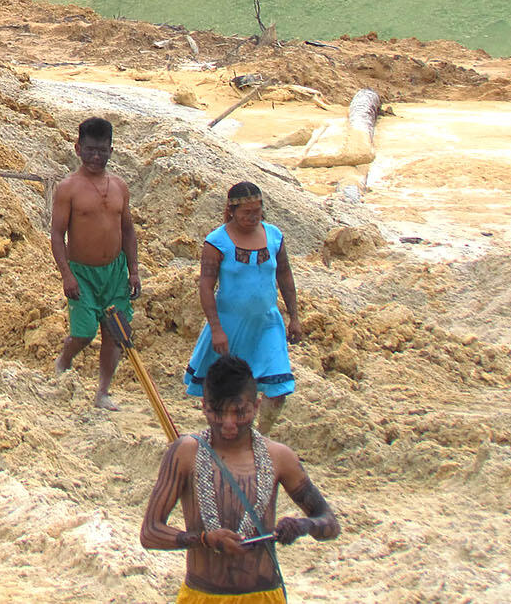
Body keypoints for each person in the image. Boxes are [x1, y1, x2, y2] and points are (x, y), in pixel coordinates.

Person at [141, 353, 340, 604]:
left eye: (240, 412)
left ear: (256, 406)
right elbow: (149, 533)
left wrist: (303, 526)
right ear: (204, 406)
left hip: (264, 596)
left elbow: (330, 523)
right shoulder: (185, 453)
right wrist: (204, 539)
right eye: (217, 412)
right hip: (202, 596)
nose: (229, 424)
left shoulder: (280, 457)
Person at [185, 183, 302, 434]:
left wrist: (294, 317)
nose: (252, 217)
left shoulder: (274, 236)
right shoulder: (217, 242)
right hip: (229, 326)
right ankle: (224, 434)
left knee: (278, 386)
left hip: (267, 323)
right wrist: (216, 329)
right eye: (246, 213)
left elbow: (285, 275)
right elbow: (206, 287)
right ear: (232, 211)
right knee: (225, 389)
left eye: (257, 212)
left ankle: (261, 435)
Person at [51, 116, 141, 410]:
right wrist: (67, 276)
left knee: (116, 333)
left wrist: (133, 271)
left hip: (115, 272)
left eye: (102, 150)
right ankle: (64, 358)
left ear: (111, 151)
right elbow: (56, 234)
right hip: (83, 273)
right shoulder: (68, 188)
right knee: (84, 332)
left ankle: (103, 392)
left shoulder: (119, 187)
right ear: (77, 148)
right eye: (90, 150)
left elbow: (127, 230)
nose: (96, 157)